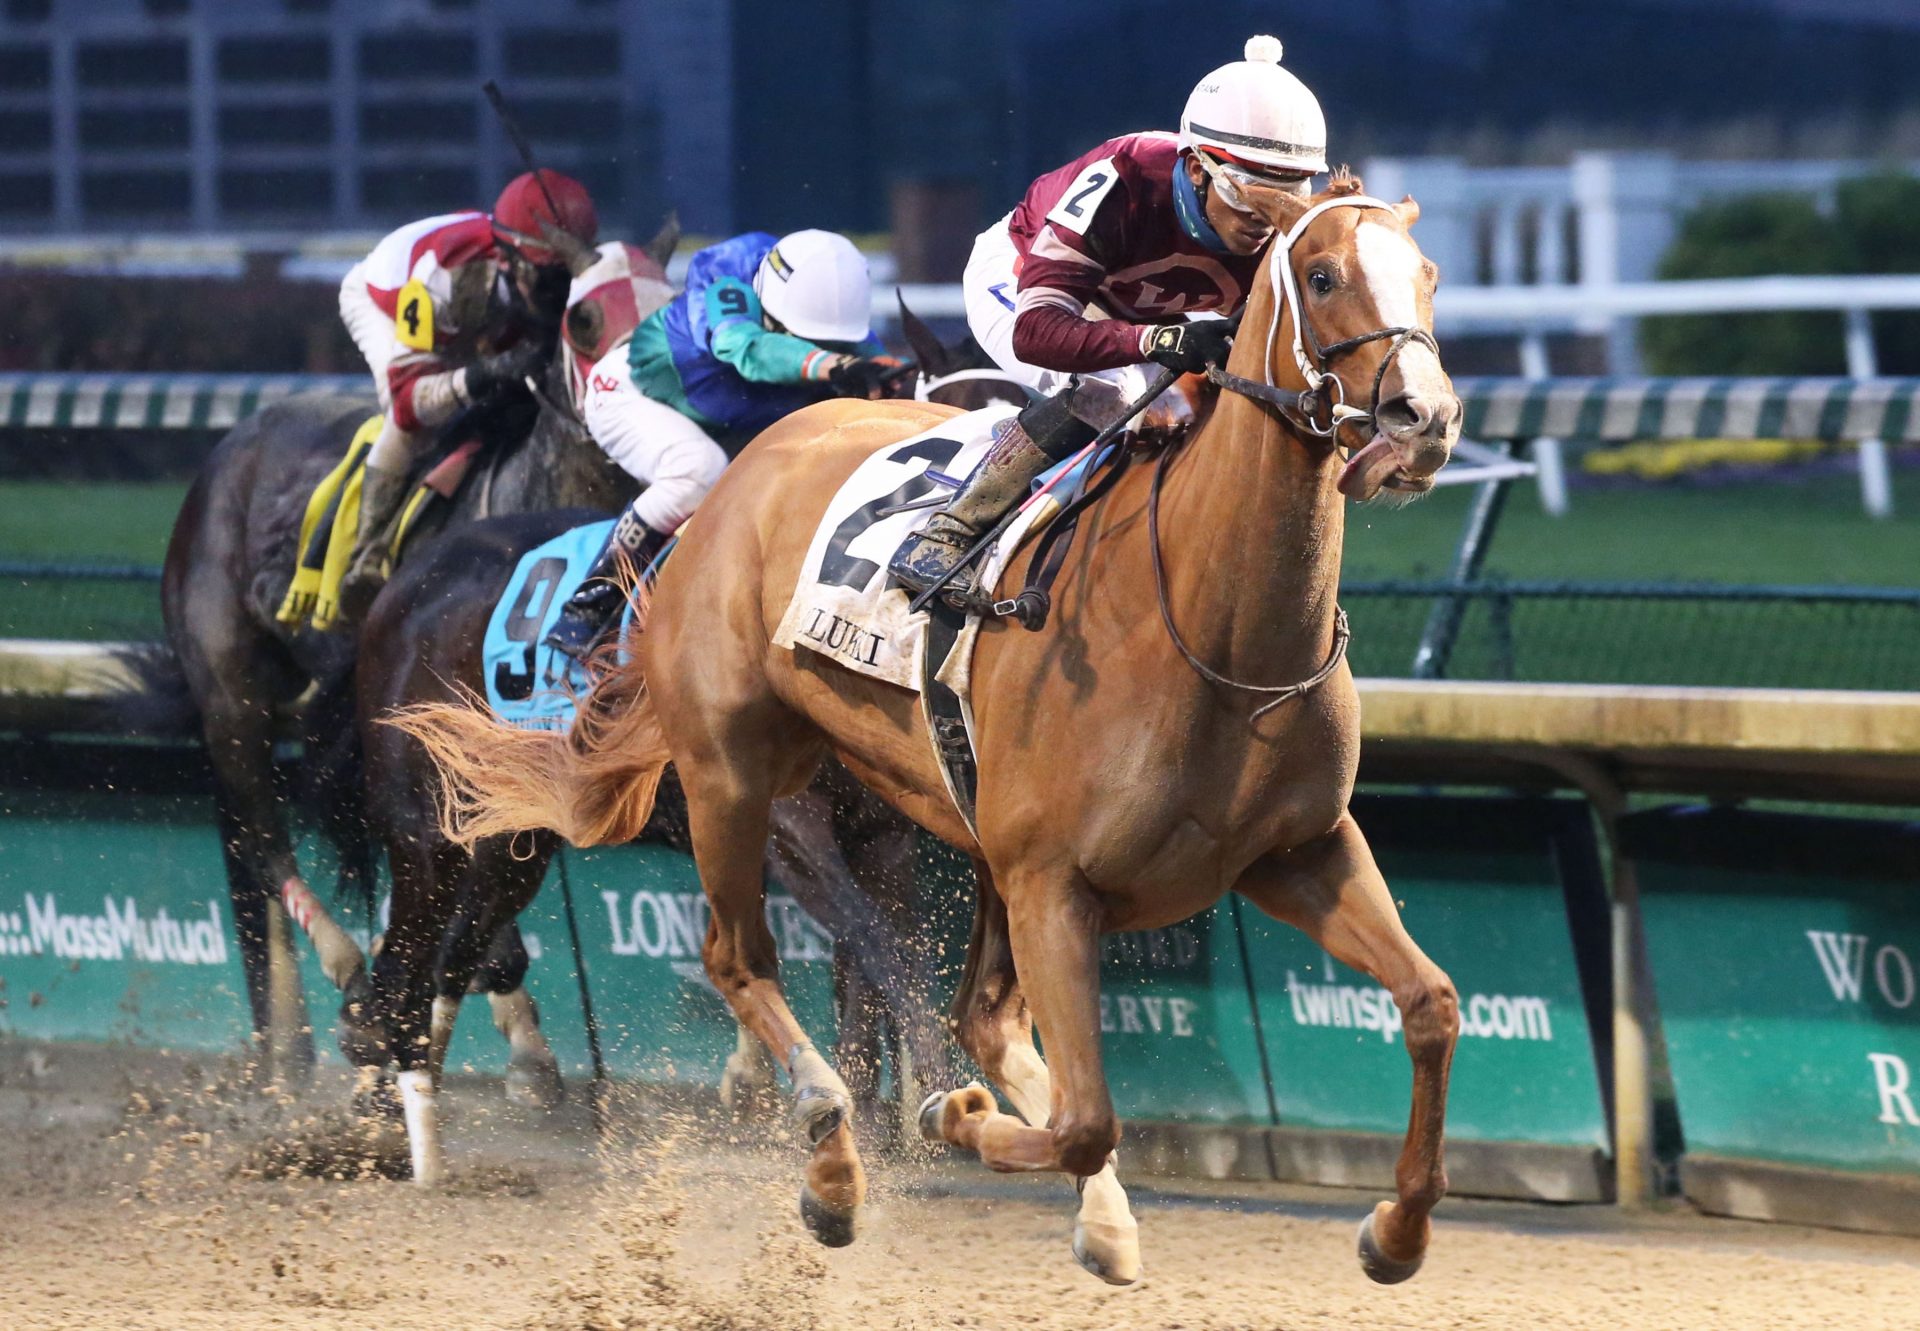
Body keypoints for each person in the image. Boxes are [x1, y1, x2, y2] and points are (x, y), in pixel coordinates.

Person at [888, 34, 1326, 599]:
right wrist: (1156, 339)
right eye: (1248, 196)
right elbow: (1038, 332)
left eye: (1287, 196)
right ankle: (946, 534)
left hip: (1144, 311)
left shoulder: (1283, 235)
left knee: (1189, 421)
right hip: (1026, 282)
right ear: (1196, 168)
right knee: (1108, 394)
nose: (1265, 222)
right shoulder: (1124, 177)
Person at [543, 228, 900, 659]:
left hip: (719, 416)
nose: (818, 348)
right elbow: (741, 348)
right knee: (697, 470)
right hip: (631, 392)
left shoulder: (825, 312)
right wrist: (834, 364)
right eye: (804, 338)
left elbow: (878, 368)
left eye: (830, 342)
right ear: (767, 305)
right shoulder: (727, 278)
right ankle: (588, 608)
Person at [334, 169, 599, 616]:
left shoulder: (539, 272)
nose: (561, 293)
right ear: (508, 261)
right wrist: (484, 375)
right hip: (388, 301)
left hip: (487, 309)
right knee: (411, 429)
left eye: (568, 275)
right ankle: (368, 555)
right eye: (549, 279)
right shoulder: (441, 280)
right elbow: (408, 401)